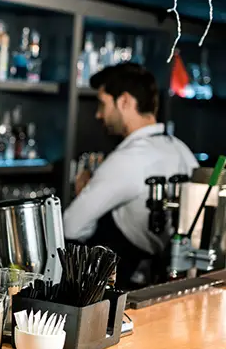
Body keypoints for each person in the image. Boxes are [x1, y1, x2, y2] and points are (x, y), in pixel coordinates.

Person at [64, 63, 198, 287]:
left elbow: (71, 226)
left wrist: (83, 192)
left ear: (124, 101)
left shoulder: (127, 159)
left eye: (103, 104)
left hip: (133, 287)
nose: (98, 114)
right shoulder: (181, 150)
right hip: (178, 282)